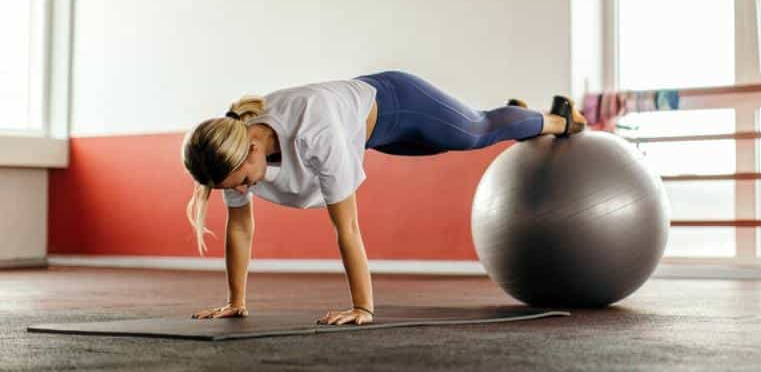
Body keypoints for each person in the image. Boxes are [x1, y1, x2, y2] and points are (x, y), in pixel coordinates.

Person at [181, 70, 587, 326]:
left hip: (398, 103)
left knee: (474, 133)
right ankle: (514, 119)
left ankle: (556, 118)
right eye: (231, 188)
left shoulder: (313, 131)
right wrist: (235, 301)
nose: (240, 191)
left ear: (253, 148)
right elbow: (240, 227)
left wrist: (363, 307)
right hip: (369, 132)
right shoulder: (230, 145)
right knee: (455, 141)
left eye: (242, 181)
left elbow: (347, 227)